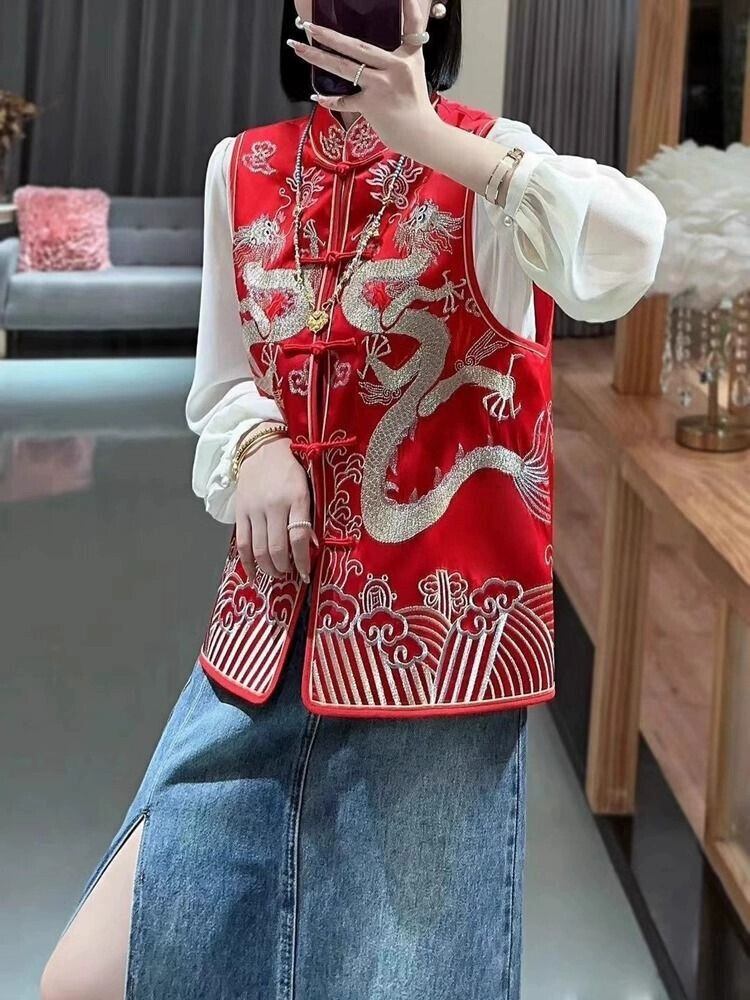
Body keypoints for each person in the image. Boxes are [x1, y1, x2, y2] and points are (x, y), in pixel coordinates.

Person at [41, 1, 667, 997]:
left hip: (436, 665)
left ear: (436, 5)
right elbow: (228, 380)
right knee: (92, 975)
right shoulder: (241, 167)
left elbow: (629, 252)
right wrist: (255, 443)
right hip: (260, 645)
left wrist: (436, 141)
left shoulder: (493, 163)